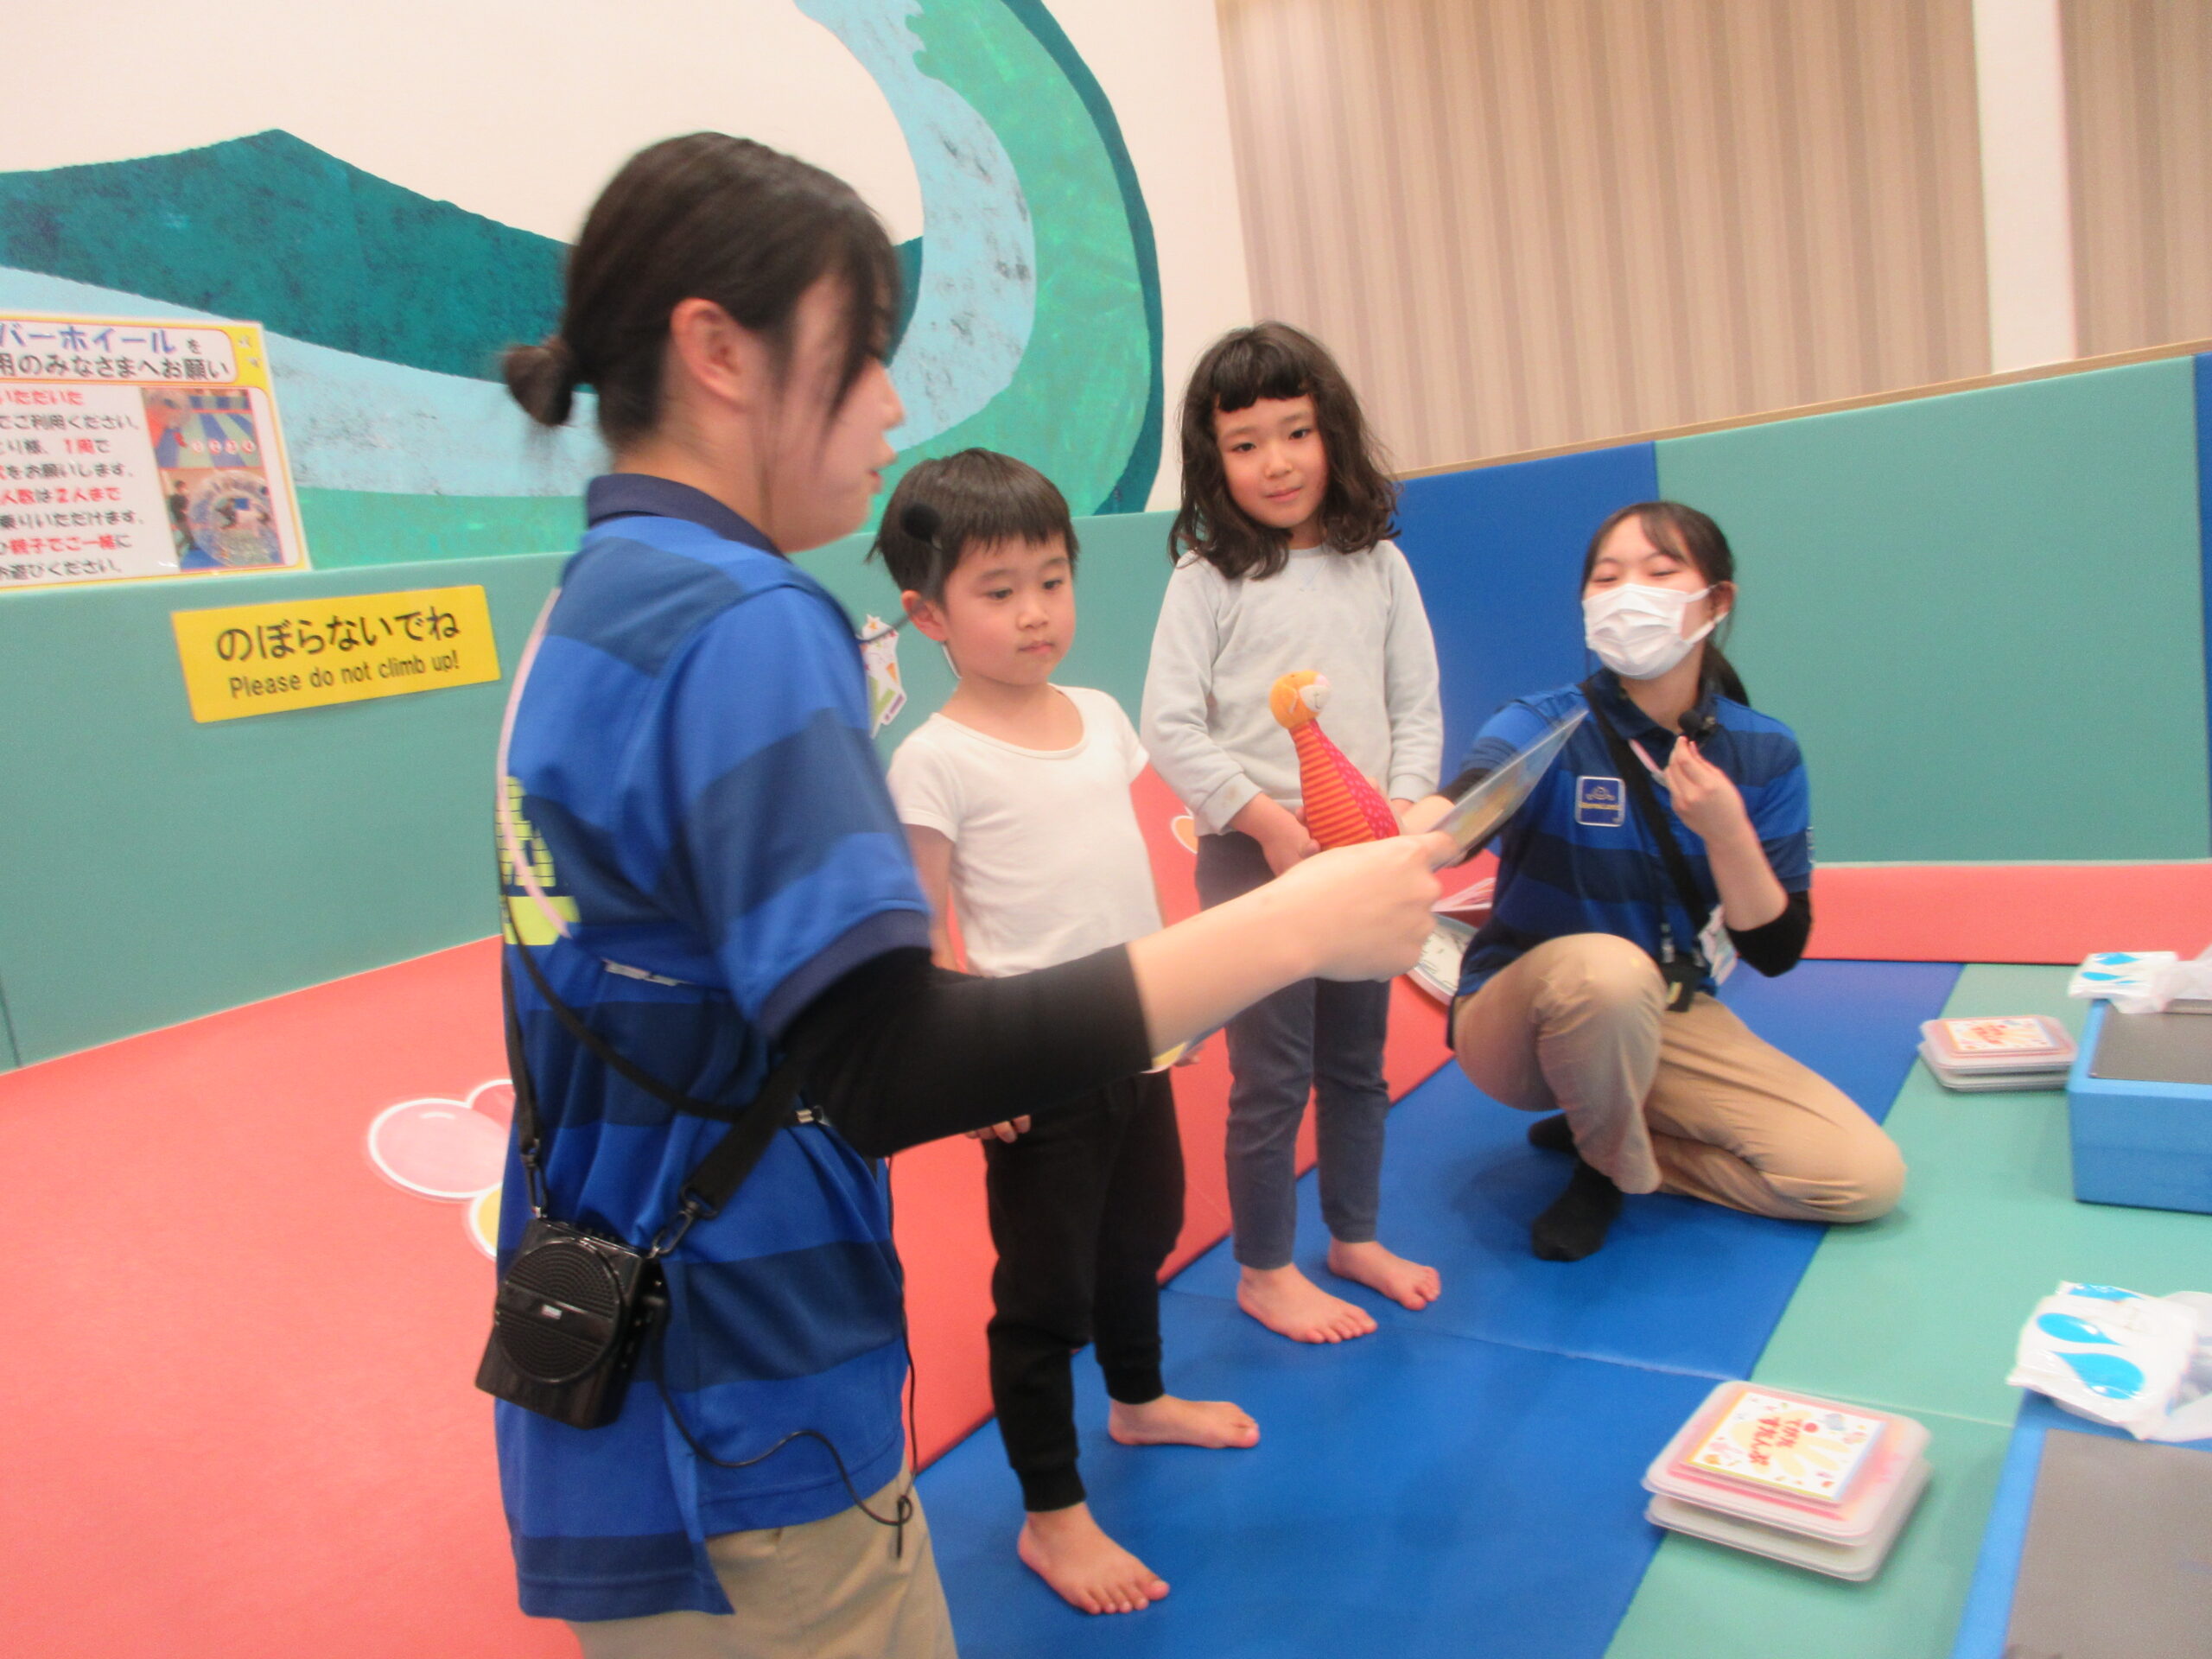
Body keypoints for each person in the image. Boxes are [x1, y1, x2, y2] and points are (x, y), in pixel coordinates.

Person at [493, 134, 1446, 1659]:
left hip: (632, 1386)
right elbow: (890, 1062)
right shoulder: (745, 621)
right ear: (720, 351)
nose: (891, 403)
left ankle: (1132, 1397)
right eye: (864, 351)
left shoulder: (594, 600)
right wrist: (1293, 927)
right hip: (747, 1399)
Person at [878, 448, 1258, 1618]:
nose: (1036, 611)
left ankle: (1138, 1401)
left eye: (1052, 579)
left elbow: (1120, 868)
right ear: (928, 615)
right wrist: (967, 1071)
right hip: (1033, 1063)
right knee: (1044, 1295)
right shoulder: (934, 759)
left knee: (1143, 1233)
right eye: (998, 592)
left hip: (1134, 1034)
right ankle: (1051, 1512)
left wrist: (1178, 996)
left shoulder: (1099, 717)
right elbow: (923, 933)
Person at [1407, 501, 1906, 1263]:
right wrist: (1410, 833)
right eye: (1607, 578)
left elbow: (1774, 951)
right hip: (1519, 1017)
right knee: (1607, 971)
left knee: (1863, 1179)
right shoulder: (1542, 722)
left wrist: (1728, 832)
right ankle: (1608, 1168)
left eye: (1659, 572)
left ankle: (1619, 1136)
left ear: (1717, 601)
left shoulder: (1764, 753)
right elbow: (1464, 804)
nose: (1627, 594)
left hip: (1664, 1009)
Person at [1141, 321, 1445, 1345]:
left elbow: (1415, 708)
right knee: (1271, 1073)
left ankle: (1353, 1236)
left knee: (1357, 1062)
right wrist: (1266, 823)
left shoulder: (1379, 567)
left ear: (1331, 435)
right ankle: (1265, 1269)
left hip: (1361, 851)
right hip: (1252, 854)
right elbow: (1168, 725)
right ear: (1212, 459)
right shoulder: (1207, 580)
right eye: (1245, 443)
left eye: (1296, 433)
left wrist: (1403, 820)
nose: (1275, 462)